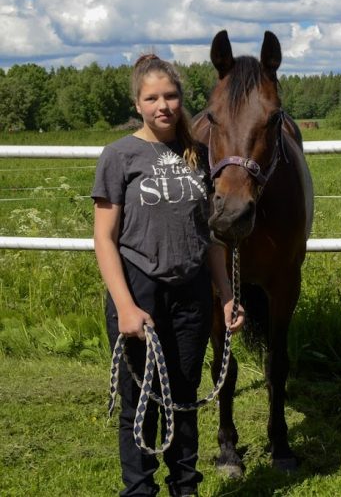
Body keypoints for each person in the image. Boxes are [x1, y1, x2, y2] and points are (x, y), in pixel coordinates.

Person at [93, 54, 244, 497]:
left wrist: (227, 293)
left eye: (171, 95)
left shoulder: (198, 155)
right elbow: (105, 238)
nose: (163, 105)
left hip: (192, 288)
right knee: (139, 398)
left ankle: (185, 486)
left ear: (182, 98)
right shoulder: (120, 156)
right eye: (152, 97)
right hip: (139, 285)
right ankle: (139, 489)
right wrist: (124, 304)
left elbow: (210, 234)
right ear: (137, 103)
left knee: (183, 393)